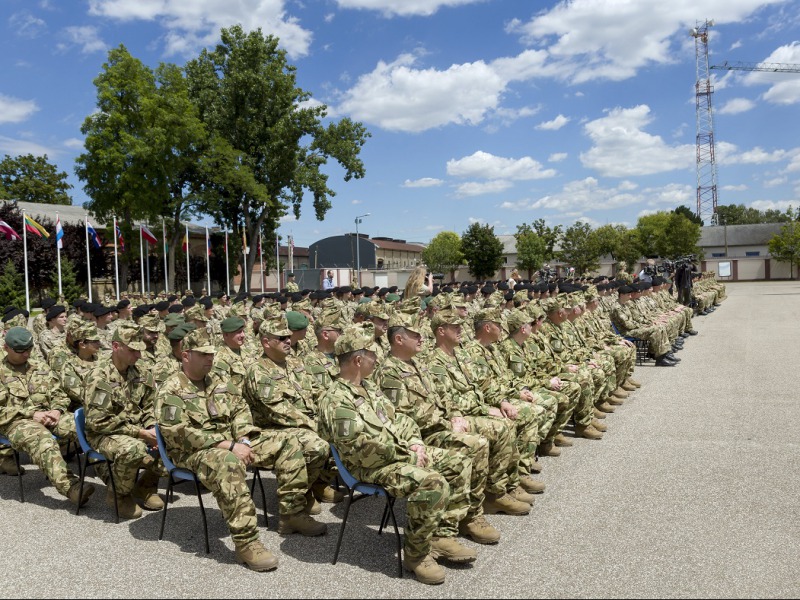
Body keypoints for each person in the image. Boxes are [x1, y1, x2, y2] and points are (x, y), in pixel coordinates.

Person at [318, 323, 475, 585]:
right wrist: (410, 456)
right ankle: (416, 555)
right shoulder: (335, 399)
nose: (377, 359)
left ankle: (440, 536)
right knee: (432, 483)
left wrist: (416, 443)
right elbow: (358, 449)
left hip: (396, 456)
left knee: (458, 461)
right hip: (369, 468)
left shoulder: (369, 388)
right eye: (373, 355)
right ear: (358, 360)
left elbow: (400, 419)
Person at [157, 329, 302, 572]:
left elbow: (240, 410)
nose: (209, 360)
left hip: (232, 441)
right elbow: (176, 432)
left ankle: (292, 513)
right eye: (203, 355)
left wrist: (243, 439)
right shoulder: (170, 388)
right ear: (185, 356)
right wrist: (229, 445)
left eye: (211, 355)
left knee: (288, 441)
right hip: (191, 451)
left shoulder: (219, 382)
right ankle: (246, 542)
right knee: (227, 462)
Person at [0, 327, 93, 506]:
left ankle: (117, 483)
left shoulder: (40, 367)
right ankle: (72, 487)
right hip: (15, 422)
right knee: (44, 440)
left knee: (87, 427)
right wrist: (32, 414)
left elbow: (59, 394)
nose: (26, 354)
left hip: (50, 416)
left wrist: (57, 410)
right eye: (21, 351)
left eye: (29, 349)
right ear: (6, 348)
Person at [84, 322, 163, 519]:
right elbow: (97, 421)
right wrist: (141, 433)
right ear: (116, 346)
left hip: (136, 429)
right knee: (133, 449)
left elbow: (150, 405)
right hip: (103, 434)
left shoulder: (140, 372)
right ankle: (118, 494)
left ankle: (145, 486)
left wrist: (151, 427)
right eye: (132, 350)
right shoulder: (99, 375)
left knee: (170, 436)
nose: (138, 356)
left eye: (140, 351)